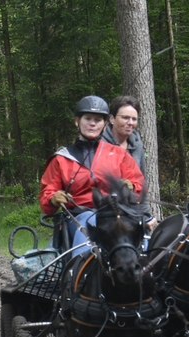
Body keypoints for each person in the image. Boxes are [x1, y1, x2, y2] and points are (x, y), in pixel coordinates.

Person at [39, 95, 145, 257]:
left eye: (98, 120)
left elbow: (138, 186)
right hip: (79, 216)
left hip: (117, 214)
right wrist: (53, 198)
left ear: (104, 124)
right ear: (77, 121)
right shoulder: (61, 159)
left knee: (146, 241)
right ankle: (80, 274)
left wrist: (131, 187)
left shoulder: (118, 154)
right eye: (88, 118)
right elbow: (47, 197)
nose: (93, 123)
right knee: (90, 220)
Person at [101, 95, 157, 232]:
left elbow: (141, 183)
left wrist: (146, 215)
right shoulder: (99, 145)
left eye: (134, 119)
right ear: (112, 119)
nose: (130, 122)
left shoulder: (136, 145)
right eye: (125, 118)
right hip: (104, 212)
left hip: (132, 211)